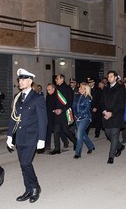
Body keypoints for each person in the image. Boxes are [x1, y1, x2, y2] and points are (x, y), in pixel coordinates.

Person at [7, 68, 47, 203]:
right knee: (23, 165)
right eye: (19, 79)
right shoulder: (17, 97)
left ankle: (36, 187)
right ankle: (28, 189)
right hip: (20, 137)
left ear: (30, 81)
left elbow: (43, 120)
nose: (20, 81)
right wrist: (9, 135)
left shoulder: (37, 98)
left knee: (26, 163)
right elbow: (13, 117)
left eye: (23, 79)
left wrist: (42, 138)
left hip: (32, 136)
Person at [101, 70, 126, 164]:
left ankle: (111, 156)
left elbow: (121, 103)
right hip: (106, 115)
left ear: (115, 77)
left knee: (114, 136)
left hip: (116, 115)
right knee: (108, 135)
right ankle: (120, 146)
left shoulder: (120, 88)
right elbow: (102, 101)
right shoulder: (106, 88)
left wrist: (111, 113)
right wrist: (104, 111)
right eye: (108, 76)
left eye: (111, 76)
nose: (109, 78)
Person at [49, 74, 77, 155]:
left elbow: (70, 102)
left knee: (66, 130)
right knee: (56, 131)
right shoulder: (56, 88)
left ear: (62, 79)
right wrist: (54, 109)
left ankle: (76, 142)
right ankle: (57, 149)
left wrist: (61, 110)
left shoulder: (68, 89)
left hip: (64, 113)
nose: (56, 80)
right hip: (57, 113)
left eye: (57, 79)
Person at [73, 82, 95, 159]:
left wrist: (79, 115)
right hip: (77, 118)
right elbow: (74, 107)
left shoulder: (88, 98)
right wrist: (75, 115)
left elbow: (87, 109)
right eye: (79, 87)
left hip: (85, 118)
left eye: (81, 87)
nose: (79, 88)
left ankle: (77, 153)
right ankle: (91, 146)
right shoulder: (76, 96)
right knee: (83, 135)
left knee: (79, 135)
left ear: (85, 89)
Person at [45, 83, 68, 151]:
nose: (48, 91)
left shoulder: (57, 96)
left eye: (49, 89)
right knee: (48, 130)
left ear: (53, 89)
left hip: (56, 115)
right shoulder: (48, 96)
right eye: (47, 90)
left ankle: (65, 141)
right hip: (49, 115)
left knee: (58, 131)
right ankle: (47, 145)